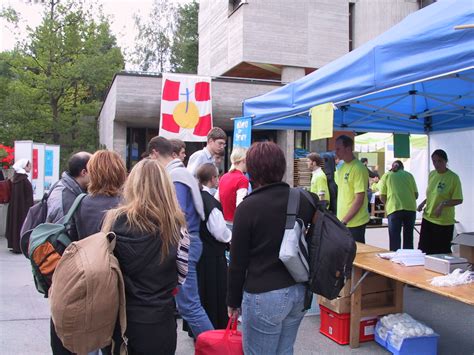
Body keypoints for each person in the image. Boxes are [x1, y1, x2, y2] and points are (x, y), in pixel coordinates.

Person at [227, 142, 317, 355]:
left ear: (253, 169)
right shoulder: (304, 199)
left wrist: (232, 301)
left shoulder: (247, 208)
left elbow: (237, 263)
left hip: (263, 293)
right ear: (282, 166)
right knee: (285, 350)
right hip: (299, 289)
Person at [101, 159, 189, 355]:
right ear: (166, 187)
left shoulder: (113, 220)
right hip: (159, 318)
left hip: (120, 318)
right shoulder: (176, 225)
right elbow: (182, 275)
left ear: (132, 184)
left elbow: (105, 268)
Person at [148, 136, 213, 338]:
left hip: (184, 243)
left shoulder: (174, 176)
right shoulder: (181, 173)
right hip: (189, 242)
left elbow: (179, 215)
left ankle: (217, 349)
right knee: (188, 305)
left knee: (189, 307)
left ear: (155, 153)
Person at [196, 163, 231, 329]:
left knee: (202, 293)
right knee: (214, 294)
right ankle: (214, 326)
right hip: (213, 255)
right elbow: (220, 232)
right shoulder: (211, 202)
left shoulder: (196, 196)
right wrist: (231, 237)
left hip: (201, 252)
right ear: (213, 178)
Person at [71, 150, 127, 241]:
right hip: (114, 255)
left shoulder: (80, 202)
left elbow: (73, 238)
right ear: (120, 173)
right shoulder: (126, 204)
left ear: (92, 173)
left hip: (87, 254)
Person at [417, 149, 463, 254]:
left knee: (440, 252)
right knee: (423, 250)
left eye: (439, 161)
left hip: (443, 221)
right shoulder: (432, 174)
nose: (436, 164)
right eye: (434, 161)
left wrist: (442, 205)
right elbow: (432, 193)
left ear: (446, 161)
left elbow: (459, 199)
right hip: (428, 218)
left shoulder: (453, 178)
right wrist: (423, 202)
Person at [334, 135, 369, 243]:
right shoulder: (342, 167)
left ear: (348, 149)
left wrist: (344, 220)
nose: (336, 152)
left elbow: (359, 199)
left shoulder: (358, 168)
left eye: (338, 149)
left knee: (356, 257)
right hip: (343, 221)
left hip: (355, 223)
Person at [380, 160, 418, 251]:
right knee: (409, 237)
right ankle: (408, 259)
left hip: (394, 208)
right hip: (410, 209)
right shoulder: (409, 175)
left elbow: (382, 196)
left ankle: (395, 259)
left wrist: (388, 203)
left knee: (394, 238)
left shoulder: (387, 175)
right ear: (402, 168)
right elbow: (416, 195)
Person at [47, 152, 91, 224]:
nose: (97, 174)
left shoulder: (71, 189)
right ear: (84, 172)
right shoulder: (64, 198)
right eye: (94, 169)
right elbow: (62, 232)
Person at [5, 159, 33, 254]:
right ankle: (19, 246)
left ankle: (15, 245)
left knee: (15, 224)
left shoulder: (17, 178)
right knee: (21, 225)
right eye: (29, 165)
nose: (31, 167)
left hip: (16, 207)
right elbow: (24, 197)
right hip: (22, 208)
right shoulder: (23, 180)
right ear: (24, 166)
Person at [217, 147, 249, 225]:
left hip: (223, 222)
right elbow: (240, 205)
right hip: (236, 222)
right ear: (244, 160)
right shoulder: (242, 179)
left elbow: (216, 200)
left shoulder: (223, 177)